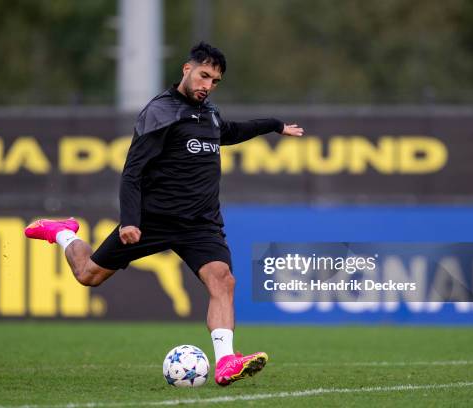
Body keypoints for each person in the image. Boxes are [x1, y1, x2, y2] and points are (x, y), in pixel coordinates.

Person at [25, 42, 303, 386]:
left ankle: (226, 361)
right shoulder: (161, 111)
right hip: (153, 219)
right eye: (203, 76)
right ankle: (64, 232)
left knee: (223, 279)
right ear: (187, 69)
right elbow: (132, 172)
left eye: (215, 81)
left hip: (201, 223)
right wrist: (129, 220)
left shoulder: (209, 113)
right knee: (88, 275)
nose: (207, 85)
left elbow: (228, 132)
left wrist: (274, 125)